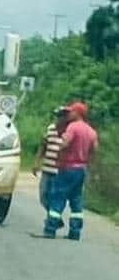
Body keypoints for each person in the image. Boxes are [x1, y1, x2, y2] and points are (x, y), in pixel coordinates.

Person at [43, 102, 98, 240]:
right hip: (81, 169)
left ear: (78, 113)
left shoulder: (73, 127)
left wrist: (60, 153)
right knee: (76, 200)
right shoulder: (91, 131)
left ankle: (51, 228)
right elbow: (95, 149)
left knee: (58, 197)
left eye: (71, 112)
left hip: (67, 167)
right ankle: (75, 231)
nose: (69, 114)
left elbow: (65, 143)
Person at [32, 107, 68, 226]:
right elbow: (43, 146)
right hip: (47, 169)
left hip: (60, 171)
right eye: (58, 116)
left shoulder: (70, 131)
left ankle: (52, 220)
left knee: (55, 197)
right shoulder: (51, 128)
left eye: (62, 116)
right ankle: (55, 218)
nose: (59, 118)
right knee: (43, 196)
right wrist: (37, 162)